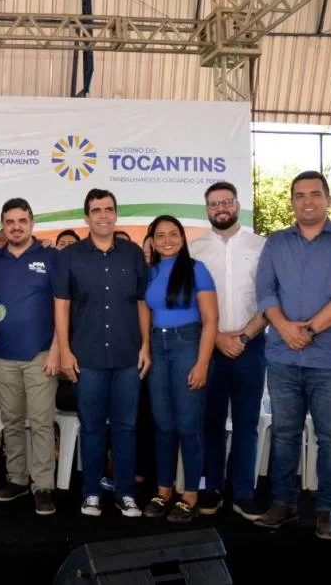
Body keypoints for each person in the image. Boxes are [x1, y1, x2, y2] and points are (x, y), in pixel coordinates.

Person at [254, 170, 331, 541]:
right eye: (299, 195)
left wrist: (310, 330)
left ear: (328, 200)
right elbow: (266, 292)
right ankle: (283, 505)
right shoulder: (277, 242)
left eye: (315, 194)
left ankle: (327, 509)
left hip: (329, 358)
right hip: (283, 357)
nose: (307, 201)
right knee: (285, 432)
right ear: (292, 202)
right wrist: (285, 328)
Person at [55, 189, 149, 518]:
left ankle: (125, 493)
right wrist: (65, 350)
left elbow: (141, 303)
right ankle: (91, 492)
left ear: (116, 213)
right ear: (87, 217)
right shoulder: (70, 256)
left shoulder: (134, 254)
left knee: (125, 427)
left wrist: (146, 346)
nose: (103, 215)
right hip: (87, 356)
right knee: (92, 427)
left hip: (127, 356)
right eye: (96, 210)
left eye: (109, 209)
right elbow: (62, 305)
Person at [189, 182, 267, 520]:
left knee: (248, 422)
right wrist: (218, 338)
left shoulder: (261, 246)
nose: (220, 208)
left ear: (237, 205)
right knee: (211, 422)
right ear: (206, 209)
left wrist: (244, 338)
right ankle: (211, 487)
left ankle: (243, 492)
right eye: (213, 204)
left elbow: (270, 299)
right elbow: (189, 301)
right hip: (210, 347)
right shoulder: (194, 250)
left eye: (226, 202)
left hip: (252, 345)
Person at [142, 215, 217, 524]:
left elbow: (211, 321)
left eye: (174, 234)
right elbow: (145, 313)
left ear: (183, 238)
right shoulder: (149, 272)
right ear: (152, 240)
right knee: (163, 424)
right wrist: (145, 347)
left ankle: (190, 495)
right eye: (160, 235)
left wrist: (201, 364)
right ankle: (163, 490)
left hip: (188, 344)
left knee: (188, 425)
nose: (168, 239)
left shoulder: (197, 269)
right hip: (158, 348)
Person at [0, 198, 60, 516]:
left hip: (41, 354)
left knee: (42, 423)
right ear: (3, 226)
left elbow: (64, 306)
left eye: (22, 220)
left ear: (32, 222)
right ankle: (17, 479)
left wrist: (58, 349)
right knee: (13, 421)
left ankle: (43, 485)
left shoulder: (51, 257)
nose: (16, 226)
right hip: (2, 355)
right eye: (9, 221)